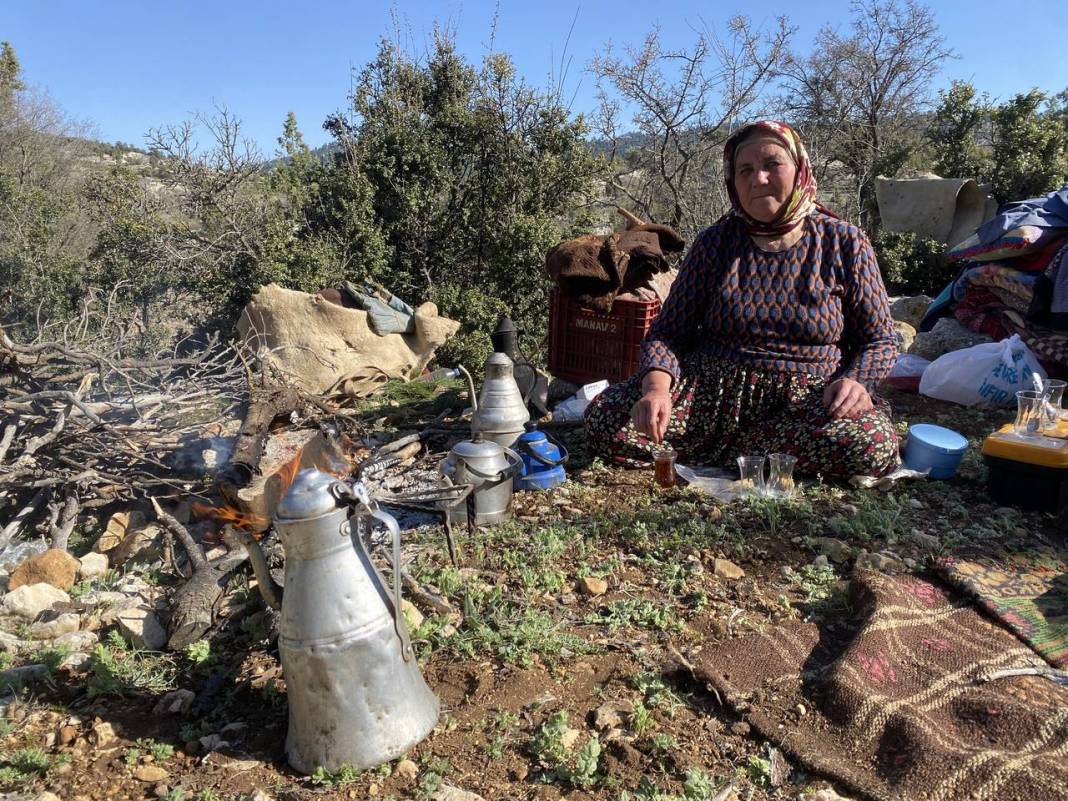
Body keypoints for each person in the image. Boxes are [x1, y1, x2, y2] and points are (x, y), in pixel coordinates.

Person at [584, 120, 900, 478]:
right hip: (710, 396)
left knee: (870, 442)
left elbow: (881, 339)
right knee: (605, 417)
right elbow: (667, 332)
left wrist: (857, 382)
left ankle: (729, 452)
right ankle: (758, 456)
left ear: (799, 169)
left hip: (805, 400)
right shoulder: (715, 243)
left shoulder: (845, 242)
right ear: (732, 182)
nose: (758, 179)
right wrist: (656, 390)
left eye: (772, 164)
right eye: (744, 169)